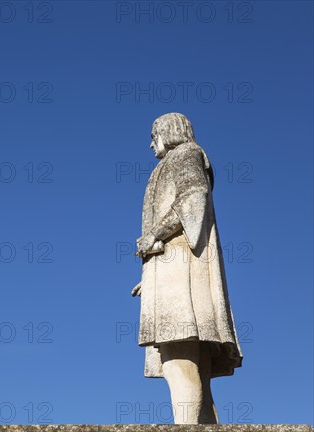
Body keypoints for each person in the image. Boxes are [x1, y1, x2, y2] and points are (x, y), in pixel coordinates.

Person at [133, 113, 242, 424]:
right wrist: (149, 275)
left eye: (154, 134)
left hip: (181, 274)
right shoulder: (179, 159)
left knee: (176, 357)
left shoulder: (185, 154)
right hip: (172, 269)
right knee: (191, 364)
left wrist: (154, 234)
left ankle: (185, 426)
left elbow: (194, 197)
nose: (151, 142)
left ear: (169, 132)